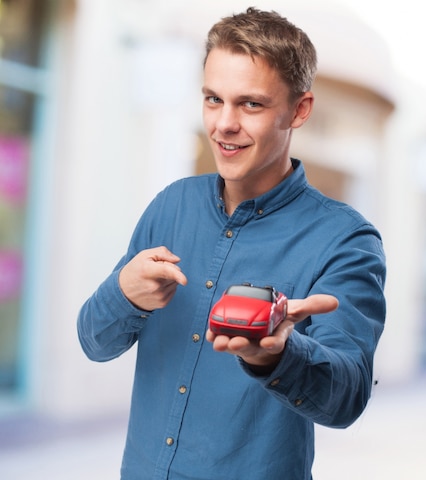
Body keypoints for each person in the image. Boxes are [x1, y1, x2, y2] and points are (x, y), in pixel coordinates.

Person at [77, 7, 386, 480]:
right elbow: (93, 342)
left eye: (251, 104)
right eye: (212, 99)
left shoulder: (345, 240)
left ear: (299, 110)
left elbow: (347, 397)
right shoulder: (171, 206)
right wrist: (124, 294)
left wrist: (279, 357)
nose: (224, 123)